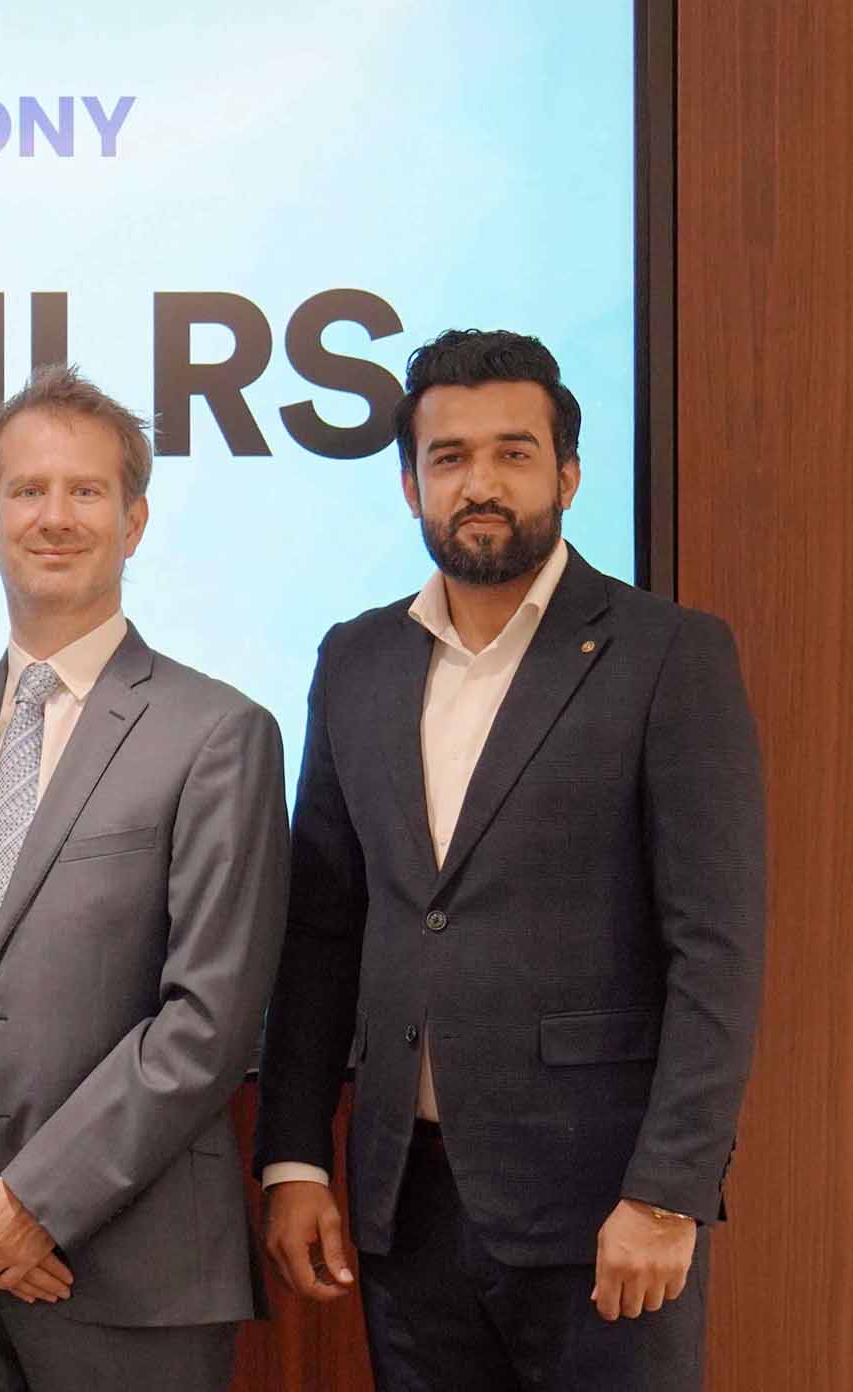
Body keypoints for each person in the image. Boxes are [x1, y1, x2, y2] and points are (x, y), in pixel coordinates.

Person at [255, 329, 767, 1391]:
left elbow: (716, 951)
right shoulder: (356, 658)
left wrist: (667, 1194)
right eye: (448, 458)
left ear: (567, 475)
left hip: (605, 1210)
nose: (479, 484)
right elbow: (322, 929)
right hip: (407, 1205)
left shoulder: (668, 654)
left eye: (513, 453)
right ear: (410, 485)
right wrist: (295, 1156)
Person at [0, 365, 289, 1390]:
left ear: (134, 521)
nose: (56, 516)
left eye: (86, 490)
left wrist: (36, 1202)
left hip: (137, 1274)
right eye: (27, 491)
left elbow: (210, 1016)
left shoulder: (220, 733)